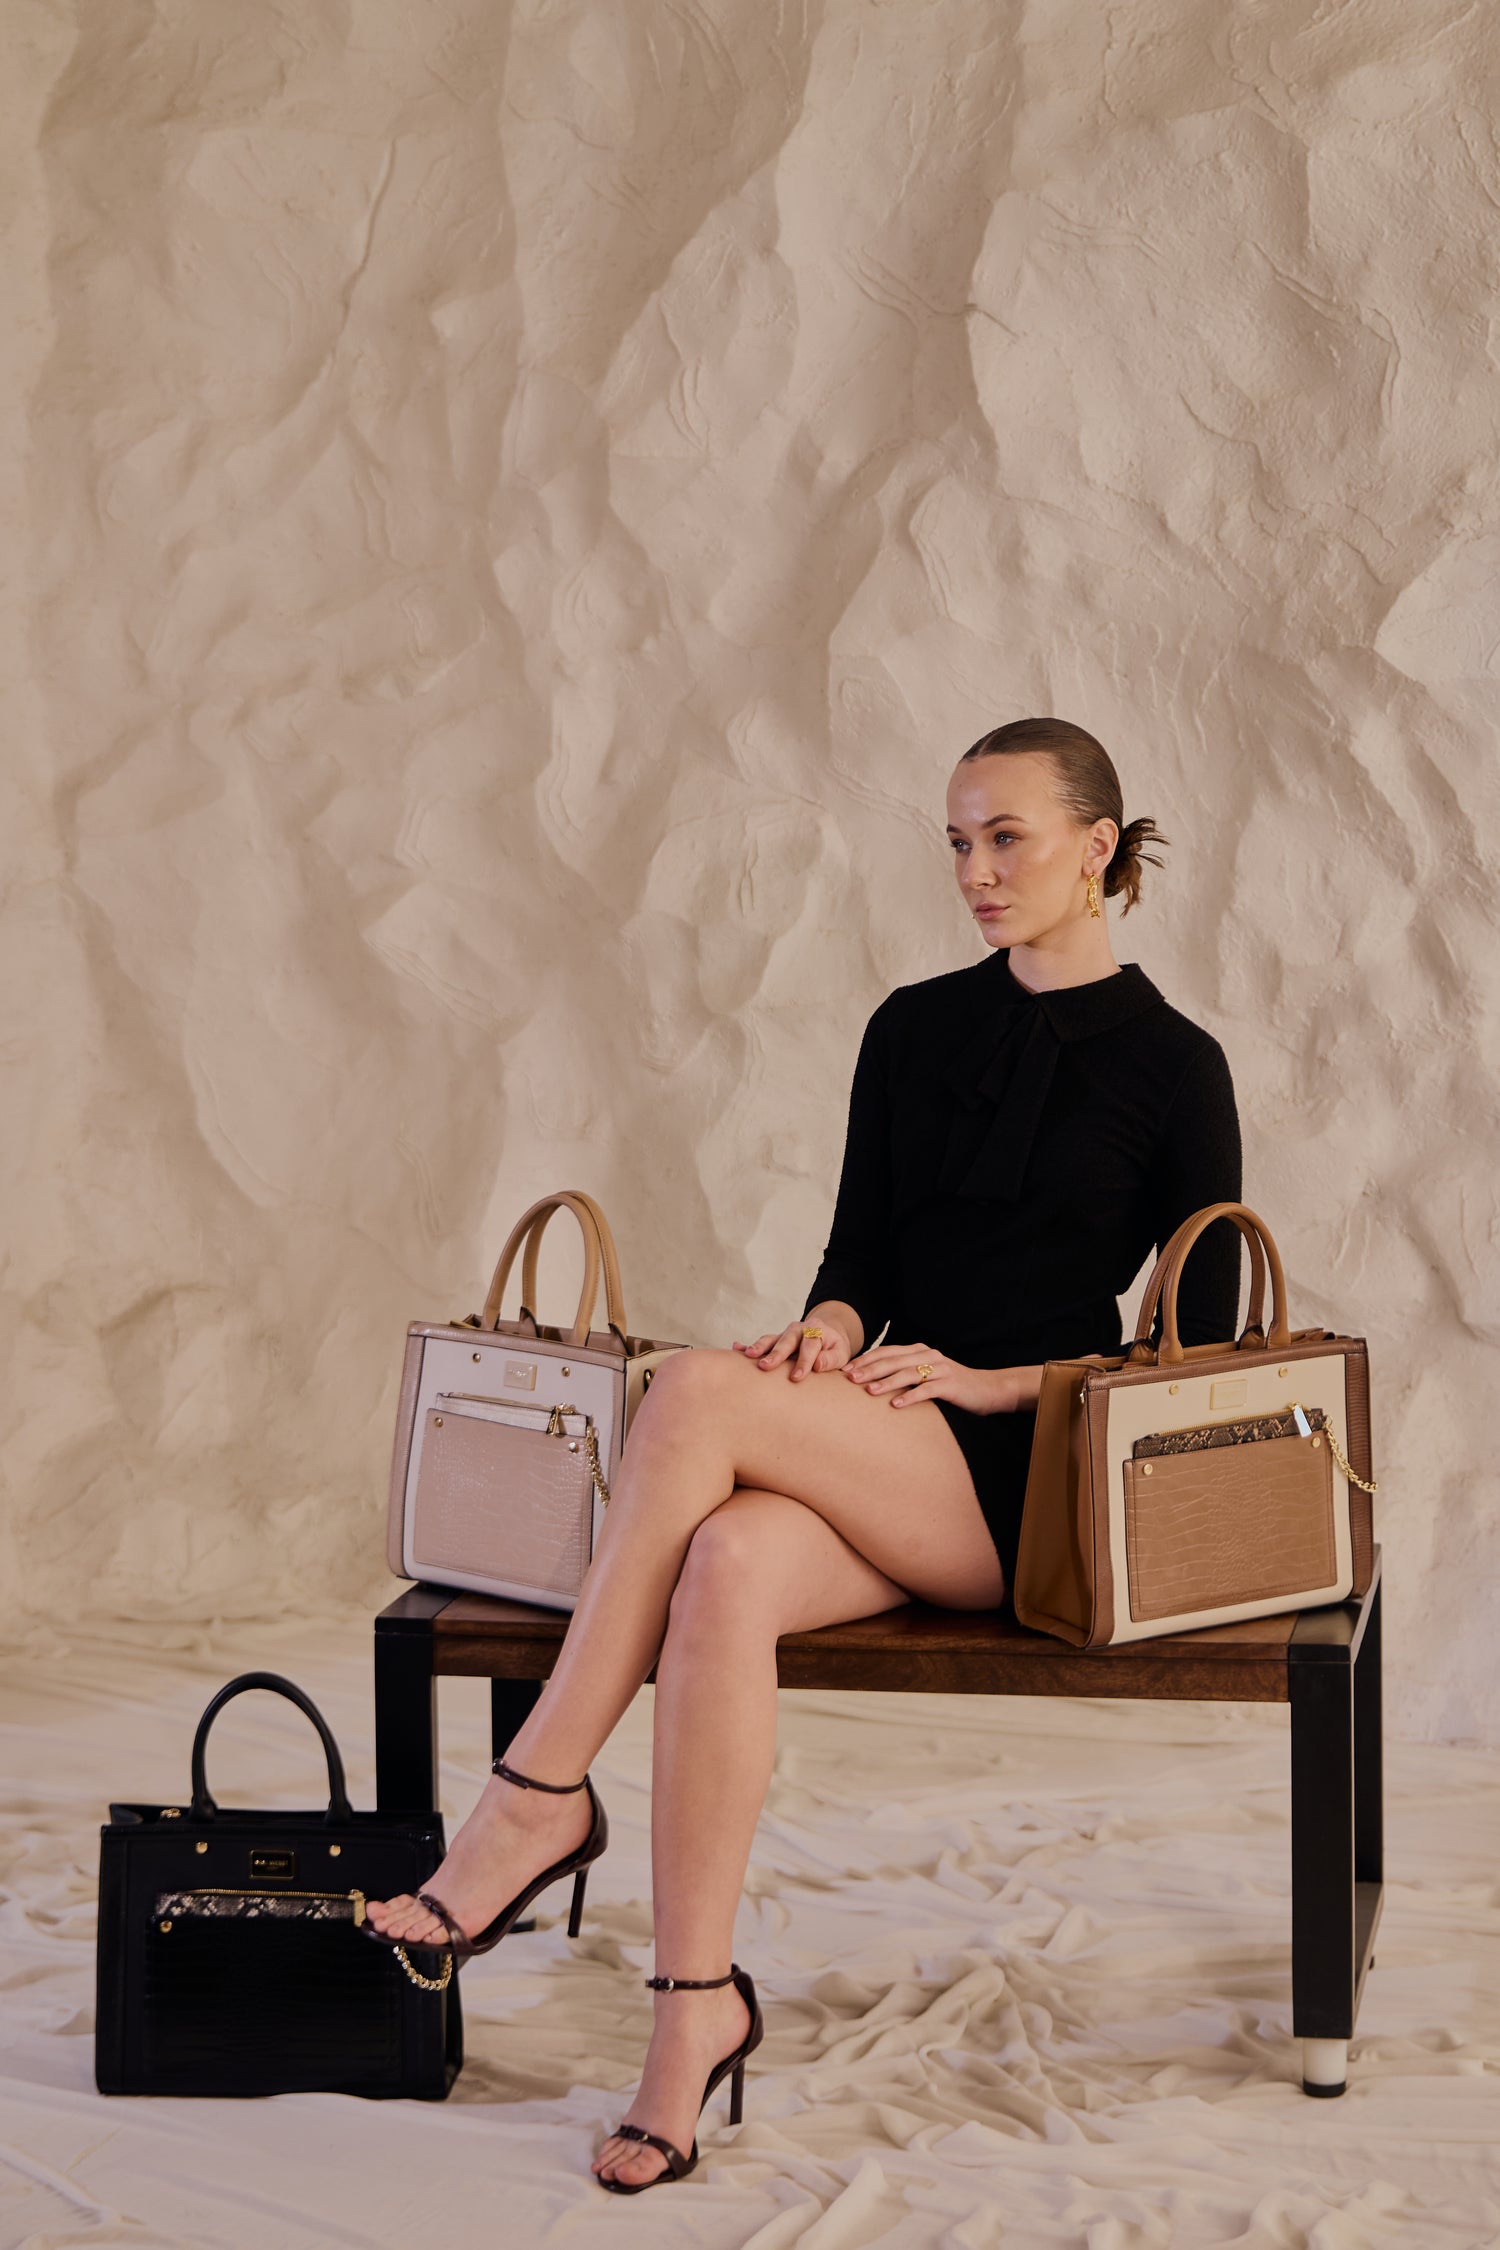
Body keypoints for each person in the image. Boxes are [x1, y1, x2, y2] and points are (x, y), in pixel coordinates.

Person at [362, 715, 1243, 2192]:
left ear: (1099, 846)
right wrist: (828, 1332)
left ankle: (533, 1800)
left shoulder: (1176, 1066)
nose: (974, 869)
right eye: (956, 840)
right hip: (883, 1440)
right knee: (723, 1561)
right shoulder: (913, 1029)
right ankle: (691, 2016)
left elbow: (1196, 1354)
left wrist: (990, 1382)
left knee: (694, 1394)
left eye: (1006, 837)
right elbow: (859, 1260)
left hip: (1022, 1483)